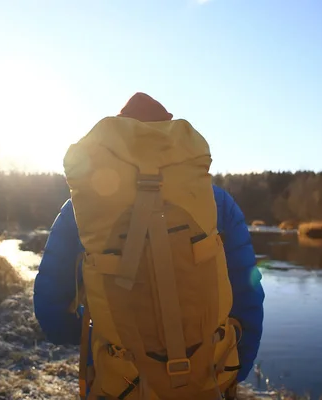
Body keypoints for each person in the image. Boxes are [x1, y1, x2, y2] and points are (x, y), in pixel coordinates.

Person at [33, 93, 265, 397]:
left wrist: (99, 337)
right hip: (205, 380)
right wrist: (232, 374)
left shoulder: (81, 209)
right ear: (171, 139)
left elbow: (50, 311)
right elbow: (248, 297)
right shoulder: (217, 203)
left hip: (119, 385)